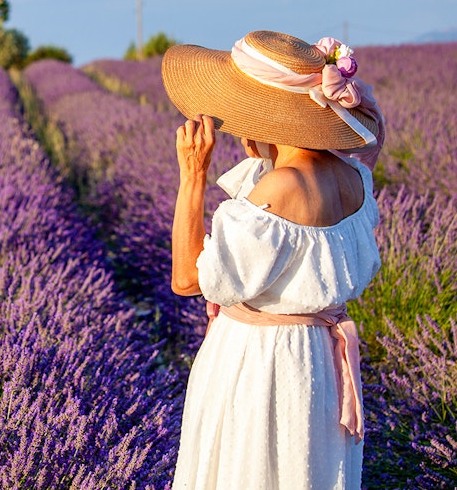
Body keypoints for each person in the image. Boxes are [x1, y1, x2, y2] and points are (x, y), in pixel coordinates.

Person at [161, 30, 385, 489]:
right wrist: (264, 151)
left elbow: (187, 279)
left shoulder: (277, 190)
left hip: (262, 366)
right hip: (319, 363)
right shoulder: (354, 177)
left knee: (250, 470)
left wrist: (193, 176)